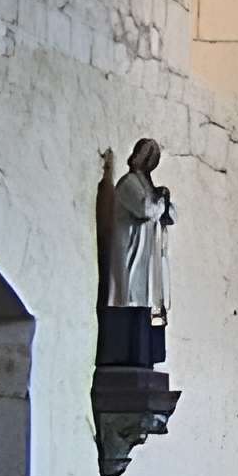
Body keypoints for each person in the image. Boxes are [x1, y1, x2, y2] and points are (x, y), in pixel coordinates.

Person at [98, 138, 172, 368]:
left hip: (150, 263)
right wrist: (160, 200)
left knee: (152, 306)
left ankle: (148, 356)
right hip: (133, 259)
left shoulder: (148, 187)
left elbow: (171, 215)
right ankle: (128, 357)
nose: (147, 162)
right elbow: (146, 209)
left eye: (151, 159)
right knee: (130, 302)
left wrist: (163, 199)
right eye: (145, 156)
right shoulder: (129, 183)